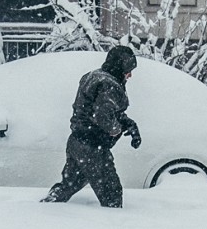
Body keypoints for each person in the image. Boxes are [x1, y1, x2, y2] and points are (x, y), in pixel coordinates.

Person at [40, 46, 141, 208]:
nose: (130, 75)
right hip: (93, 148)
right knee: (112, 194)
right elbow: (104, 116)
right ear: (120, 66)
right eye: (128, 69)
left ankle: (45, 209)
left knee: (69, 185)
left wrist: (129, 123)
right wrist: (117, 130)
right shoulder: (110, 85)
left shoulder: (94, 77)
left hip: (77, 142)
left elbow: (100, 108)